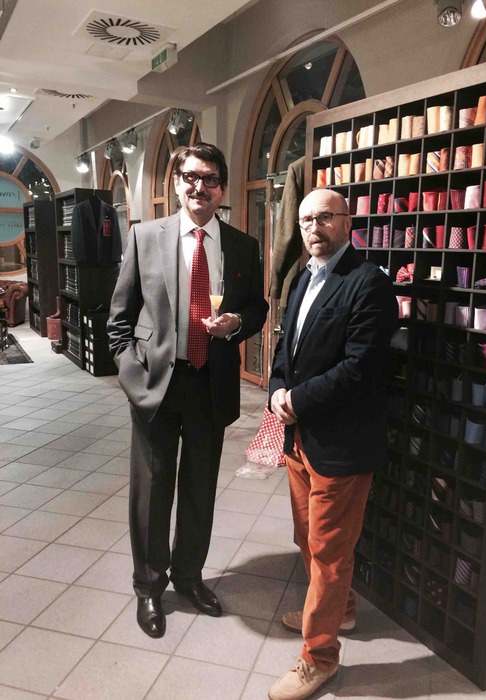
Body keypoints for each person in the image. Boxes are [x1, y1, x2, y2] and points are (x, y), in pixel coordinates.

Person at [108, 143, 268, 638]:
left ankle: (189, 576)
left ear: (222, 188)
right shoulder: (145, 236)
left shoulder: (241, 245)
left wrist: (236, 323)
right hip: (156, 385)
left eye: (211, 179)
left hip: (210, 384)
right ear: (177, 182)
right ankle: (148, 586)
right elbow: (118, 319)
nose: (201, 187)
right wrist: (133, 378)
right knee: (152, 491)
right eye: (192, 177)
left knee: (200, 489)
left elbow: (258, 308)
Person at [268, 188, 398, 700]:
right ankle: (340, 612)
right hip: (301, 438)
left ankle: (318, 657)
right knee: (307, 538)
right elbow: (286, 347)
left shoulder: (369, 283)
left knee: (328, 553)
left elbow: (362, 367)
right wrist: (277, 388)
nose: (313, 228)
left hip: (342, 444)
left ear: (347, 221)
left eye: (324, 217)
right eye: (305, 220)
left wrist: (297, 400)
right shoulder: (304, 277)